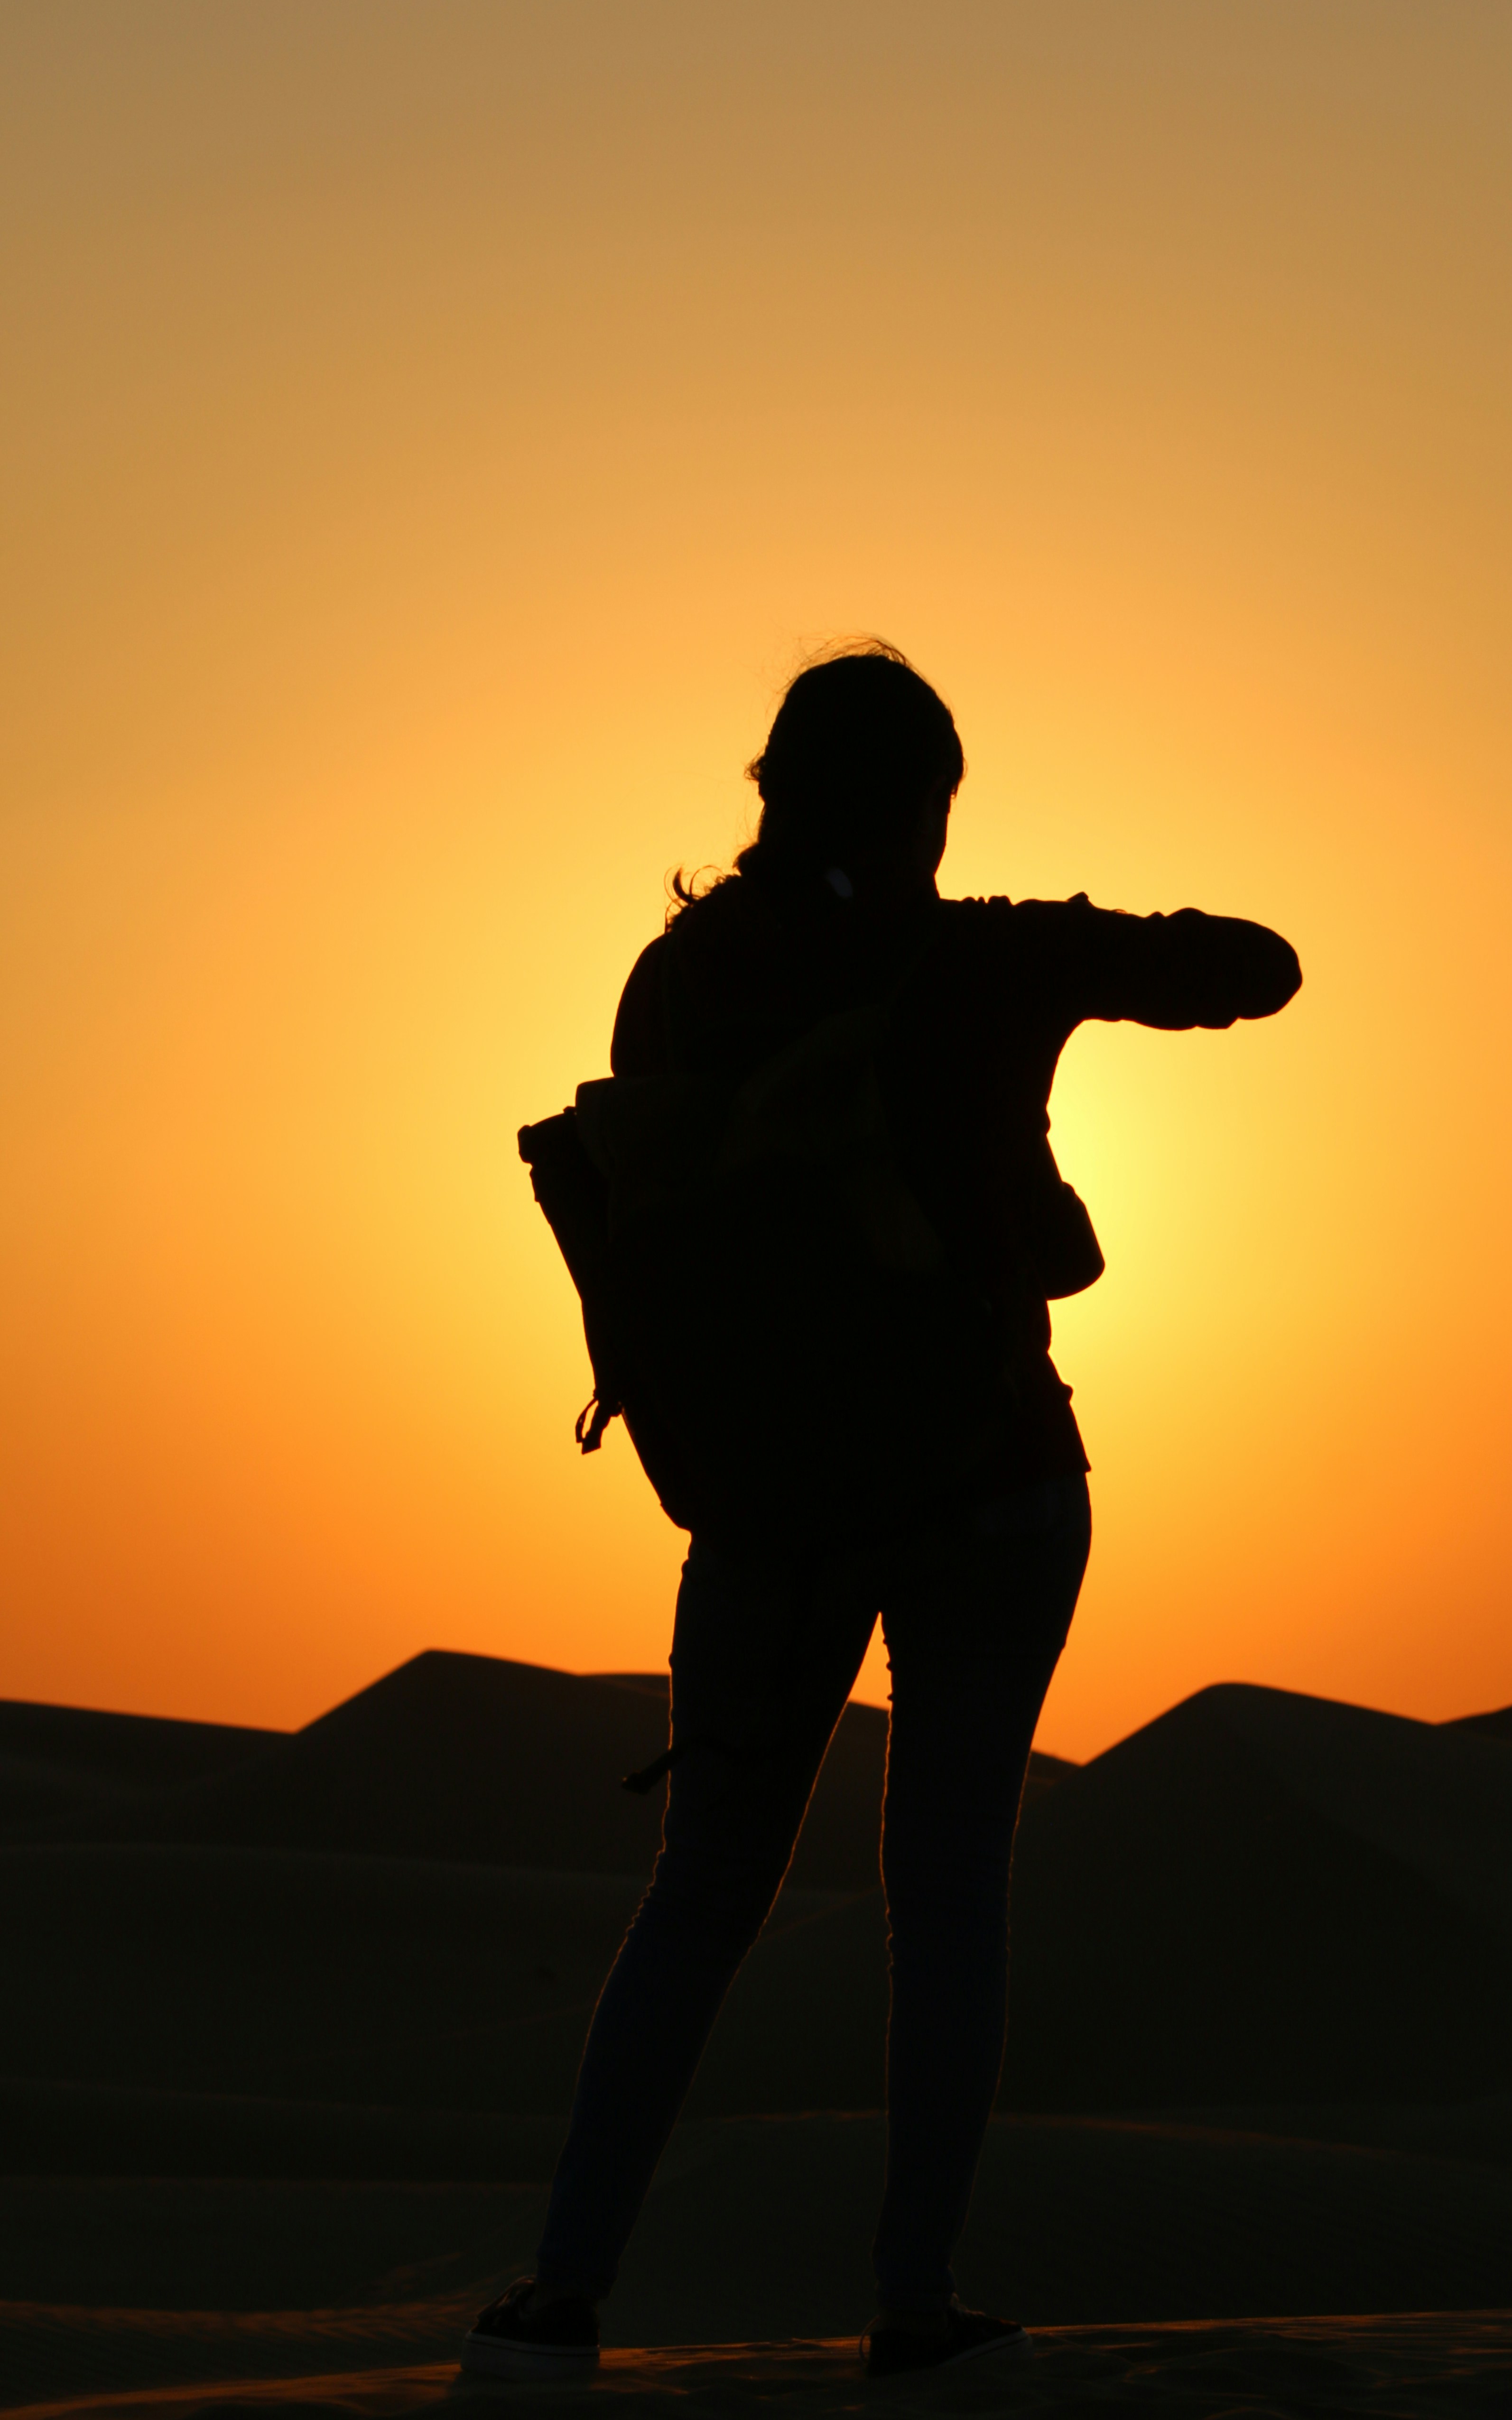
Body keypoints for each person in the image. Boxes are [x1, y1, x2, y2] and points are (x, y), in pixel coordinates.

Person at [463, 642, 1300, 2381]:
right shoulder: (983, 956)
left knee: (699, 1899)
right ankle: (912, 2301)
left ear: (771, 788)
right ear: (928, 800)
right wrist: (1092, 949)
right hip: (991, 1485)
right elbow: (1258, 973)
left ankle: (563, 2288)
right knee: (950, 1894)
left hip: (770, 1513)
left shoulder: (682, 978)